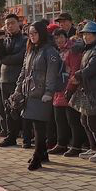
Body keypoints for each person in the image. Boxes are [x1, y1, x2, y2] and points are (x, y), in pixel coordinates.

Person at [11, 21, 61, 170]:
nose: (32, 36)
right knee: (34, 125)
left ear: (41, 33)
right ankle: (43, 153)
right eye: (30, 34)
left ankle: (37, 157)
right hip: (29, 93)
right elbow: (23, 72)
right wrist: (18, 88)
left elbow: (51, 74)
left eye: (35, 33)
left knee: (39, 127)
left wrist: (48, 92)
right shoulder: (31, 50)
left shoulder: (49, 51)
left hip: (42, 95)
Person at [73, 21, 96, 162]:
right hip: (88, 90)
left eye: (89, 34)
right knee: (85, 120)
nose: (85, 37)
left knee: (95, 122)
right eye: (84, 34)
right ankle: (94, 147)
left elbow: (92, 68)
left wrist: (77, 75)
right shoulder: (89, 48)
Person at [0, 14, 30, 148]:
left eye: (12, 23)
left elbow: (21, 57)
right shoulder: (4, 40)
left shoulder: (25, 40)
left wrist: (5, 59)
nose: (10, 26)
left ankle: (27, 138)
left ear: (18, 23)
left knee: (23, 109)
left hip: (19, 79)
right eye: (7, 24)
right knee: (8, 109)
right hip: (4, 79)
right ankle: (11, 136)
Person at [51, 29, 85, 157]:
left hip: (70, 89)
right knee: (59, 120)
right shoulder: (58, 51)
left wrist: (70, 88)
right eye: (55, 38)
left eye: (60, 37)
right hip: (58, 90)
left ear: (66, 37)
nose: (58, 40)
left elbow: (74, 71)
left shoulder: (73, 50)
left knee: (73, 120)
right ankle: (61, 144)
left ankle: (76, 146)